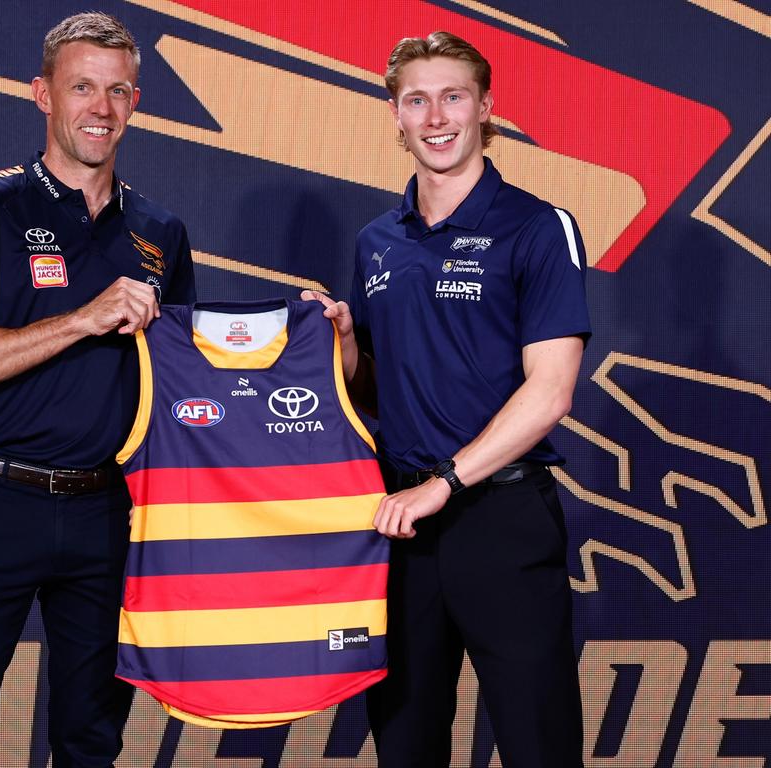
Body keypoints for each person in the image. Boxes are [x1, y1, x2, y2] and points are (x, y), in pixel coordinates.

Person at [0, 12, 195, 768]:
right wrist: (83, 318)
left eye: (118, 91)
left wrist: (316, 345)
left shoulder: (162, 230)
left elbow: (185, 381)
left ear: (136, 102)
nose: (100, 108)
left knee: (92, 745)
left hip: (109, 514)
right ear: (43, 94)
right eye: (82, 88)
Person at [304, 31, 589, 768]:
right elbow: (375, 390)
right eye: (417, 100)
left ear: (486, 107)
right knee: (405, 745)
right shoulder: (376, 241)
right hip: (400, 527)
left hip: (500, 516)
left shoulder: (536, 225)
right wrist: (343, 347)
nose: (436, 117)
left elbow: (551, 391)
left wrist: (448, 482)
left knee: (538, 745)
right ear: (395, 116)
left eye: (453, 97)